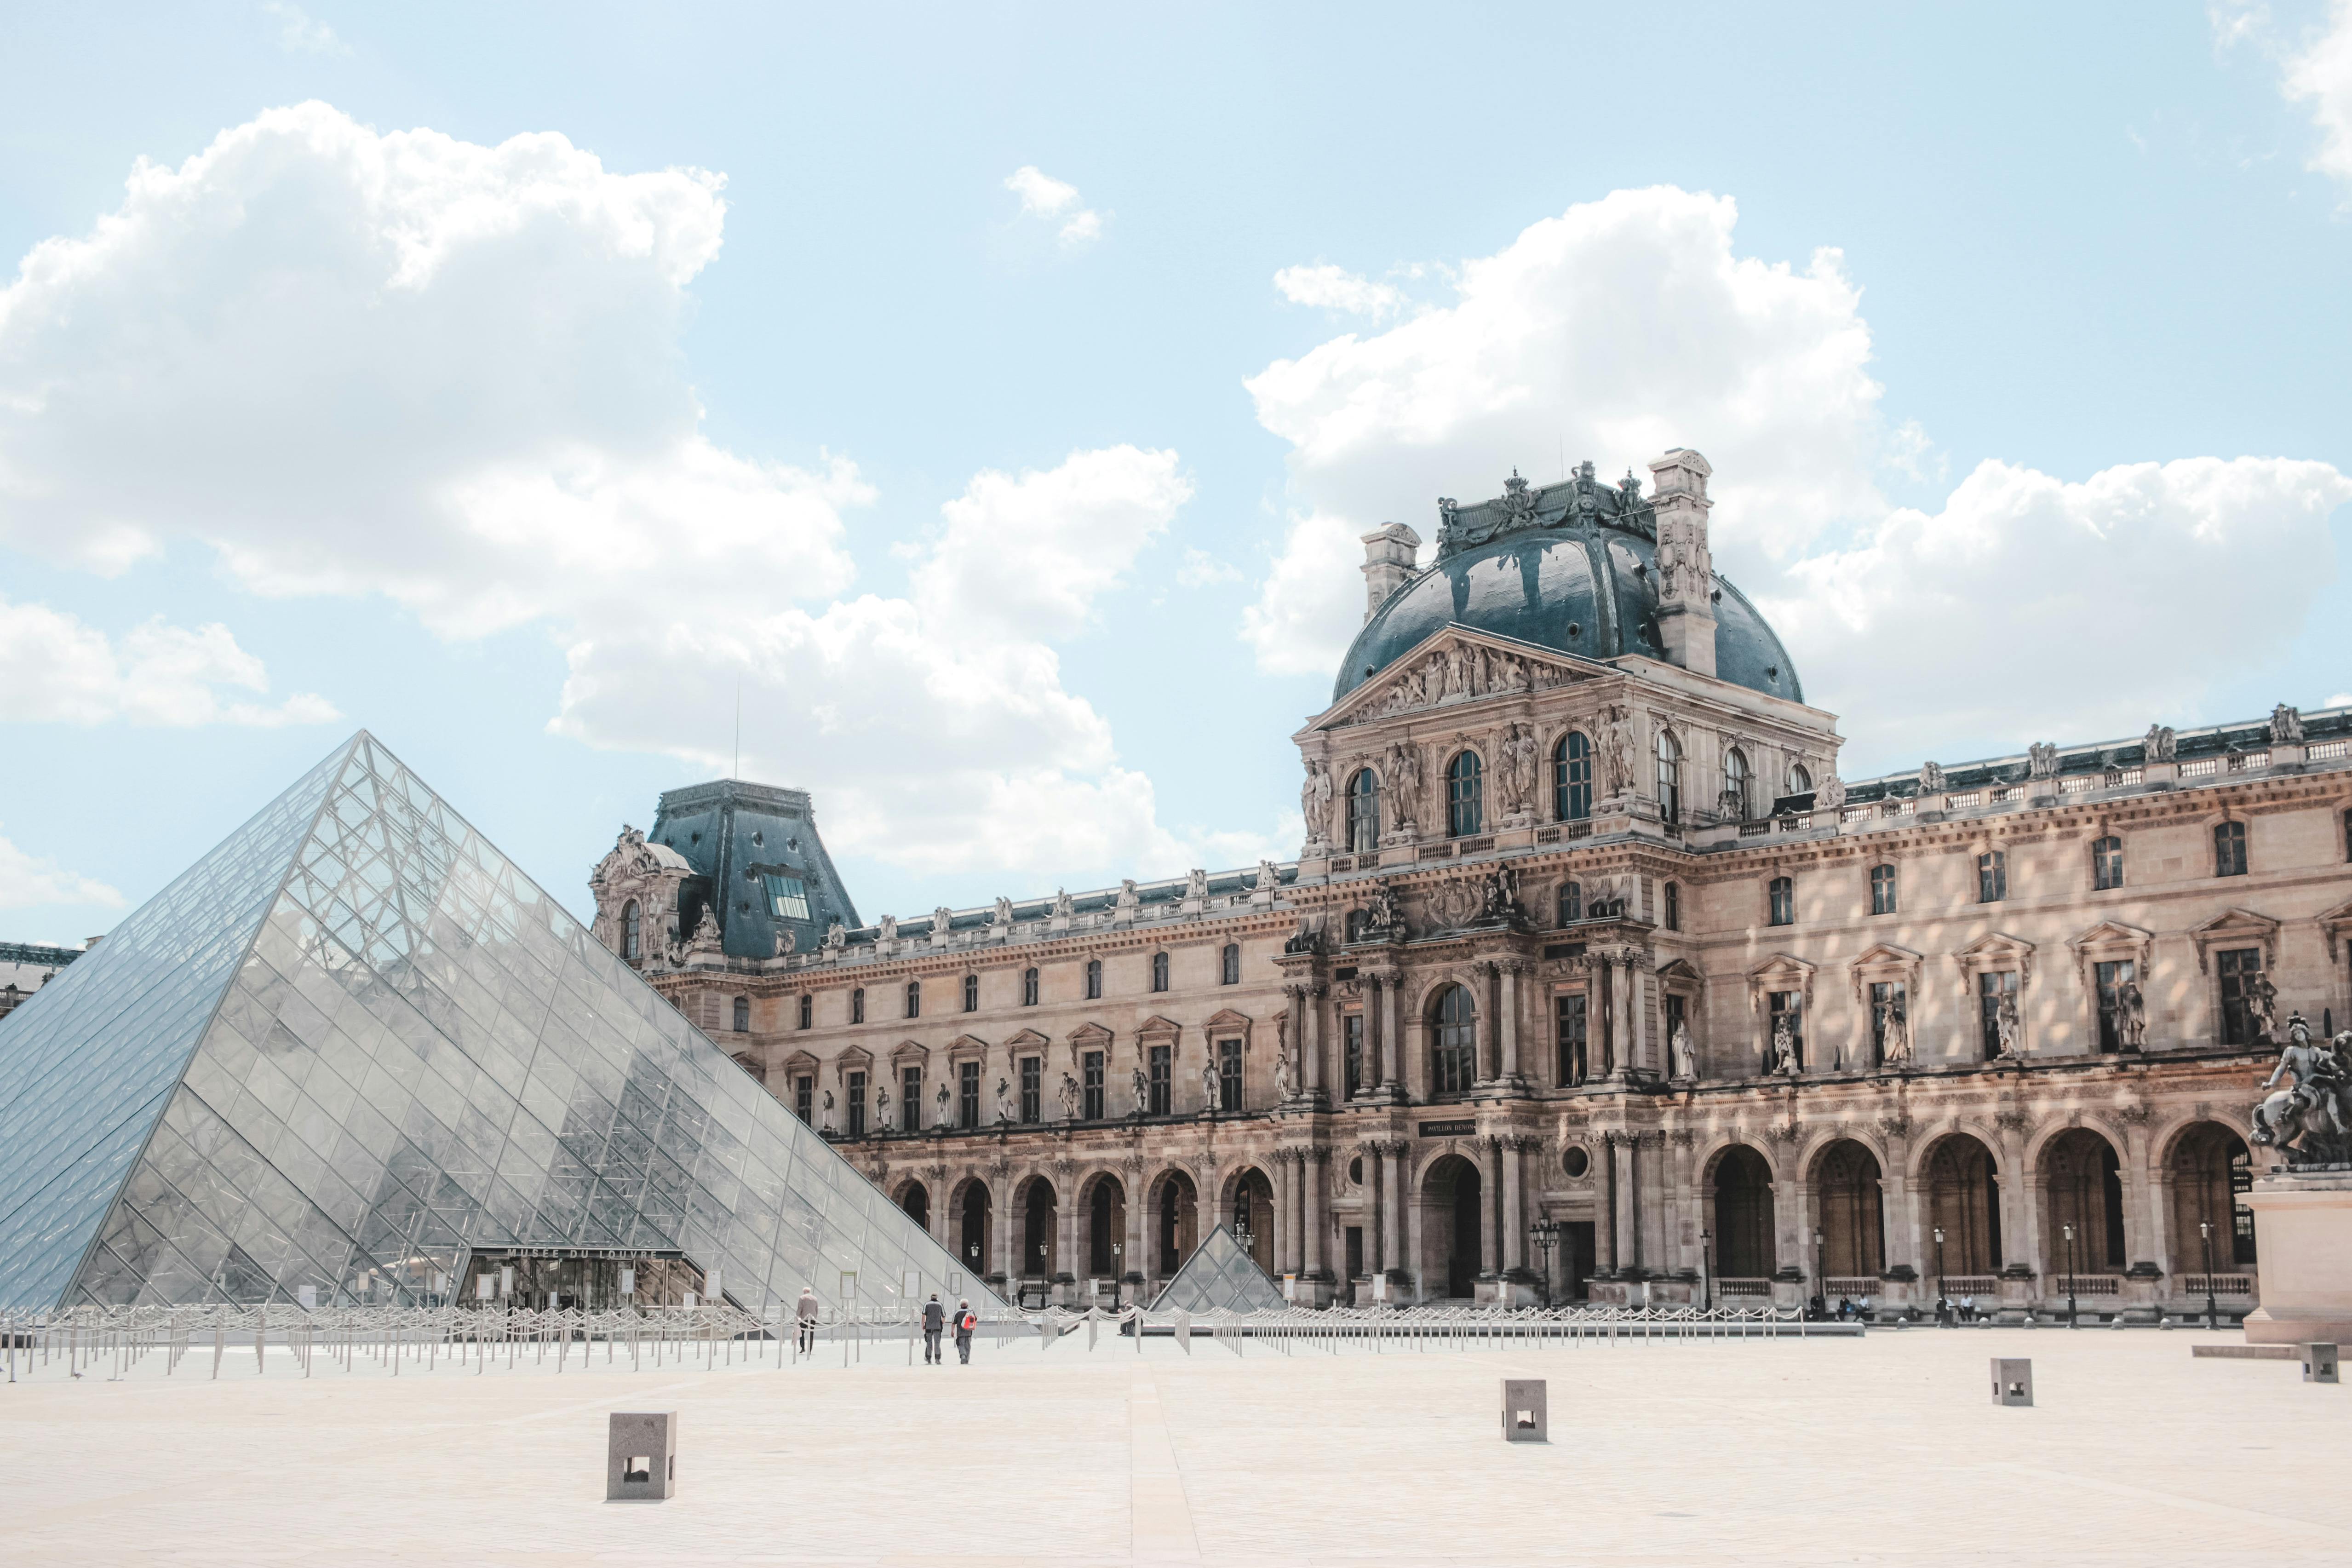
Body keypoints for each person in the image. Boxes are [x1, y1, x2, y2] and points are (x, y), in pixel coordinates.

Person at [921, 1292, 945, 1365]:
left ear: (931, 1297)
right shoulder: (940, 1304)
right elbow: (944, 1316)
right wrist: (942, 1323)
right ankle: (937, 1359)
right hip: (938, 1327)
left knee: (929, 1343)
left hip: (928, 1326)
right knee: (937, 1343)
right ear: (937, 1298)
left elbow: (924, 1315)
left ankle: (928, 1358)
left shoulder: (927, 1304)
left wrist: (923, 1324)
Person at [795, 1285, 820, 1355]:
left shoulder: (802, 1298)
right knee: (811, 1334)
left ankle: (803, 1348)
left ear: (805, 1292)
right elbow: (817, 1309)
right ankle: (810, 1350)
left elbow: (800, 1308)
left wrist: (797, 1316)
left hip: (804, 1318)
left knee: (801, 1333)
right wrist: (815, 1317)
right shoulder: (815, 1298)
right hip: (812, 1319)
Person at [953, 1298, 978, 1365]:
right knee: (968, 1345)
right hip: (969, 1332)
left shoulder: (958, 1312)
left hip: (960, 1333)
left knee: (961, 1345)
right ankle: (967, 1359)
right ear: (967, 1305)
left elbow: (954, 1323)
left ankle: (963, 1355)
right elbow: (975, 1320)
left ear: (961, 1305)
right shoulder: (971, 1312)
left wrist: (952, 1331)